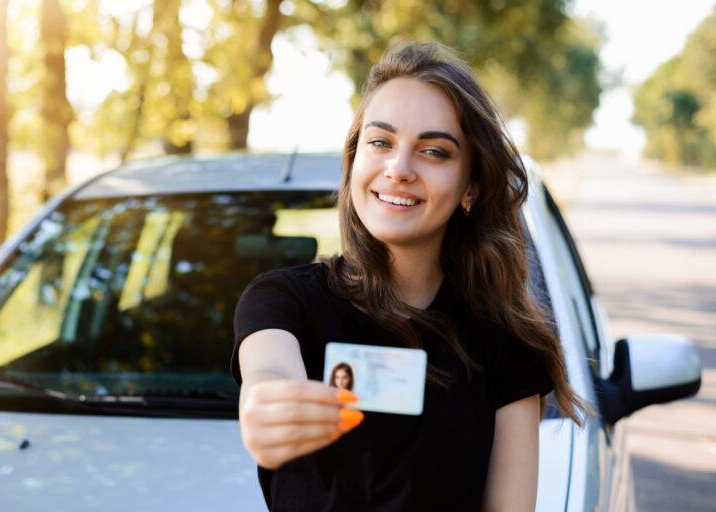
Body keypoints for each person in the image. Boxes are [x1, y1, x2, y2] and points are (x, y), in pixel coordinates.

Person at [232, 41, 586, 511]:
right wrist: (266, 408)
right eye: (380, 142)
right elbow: (270, 372)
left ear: (471, 188)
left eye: (434, 151)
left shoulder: (505, 342)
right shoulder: (282, 301)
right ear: (355, 159)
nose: (398, 169)